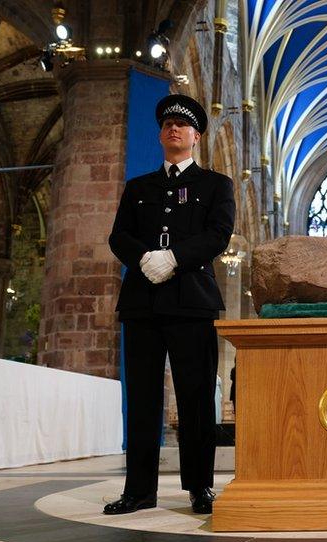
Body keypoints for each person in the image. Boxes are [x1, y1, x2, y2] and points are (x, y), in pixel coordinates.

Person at [104, 94, 235, 515]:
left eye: (182, 125)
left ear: (196, 136)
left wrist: (175, 258)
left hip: (192, 302)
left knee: (196, 399)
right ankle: (139, 490)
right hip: (143, 301)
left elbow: (218, 234)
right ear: (161, 134)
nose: (173, 129)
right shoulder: (139, 187)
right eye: (167, 125)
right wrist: (144, 258)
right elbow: (118, 235)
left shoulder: (216, 185)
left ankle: (200, 487)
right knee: (142, 399)